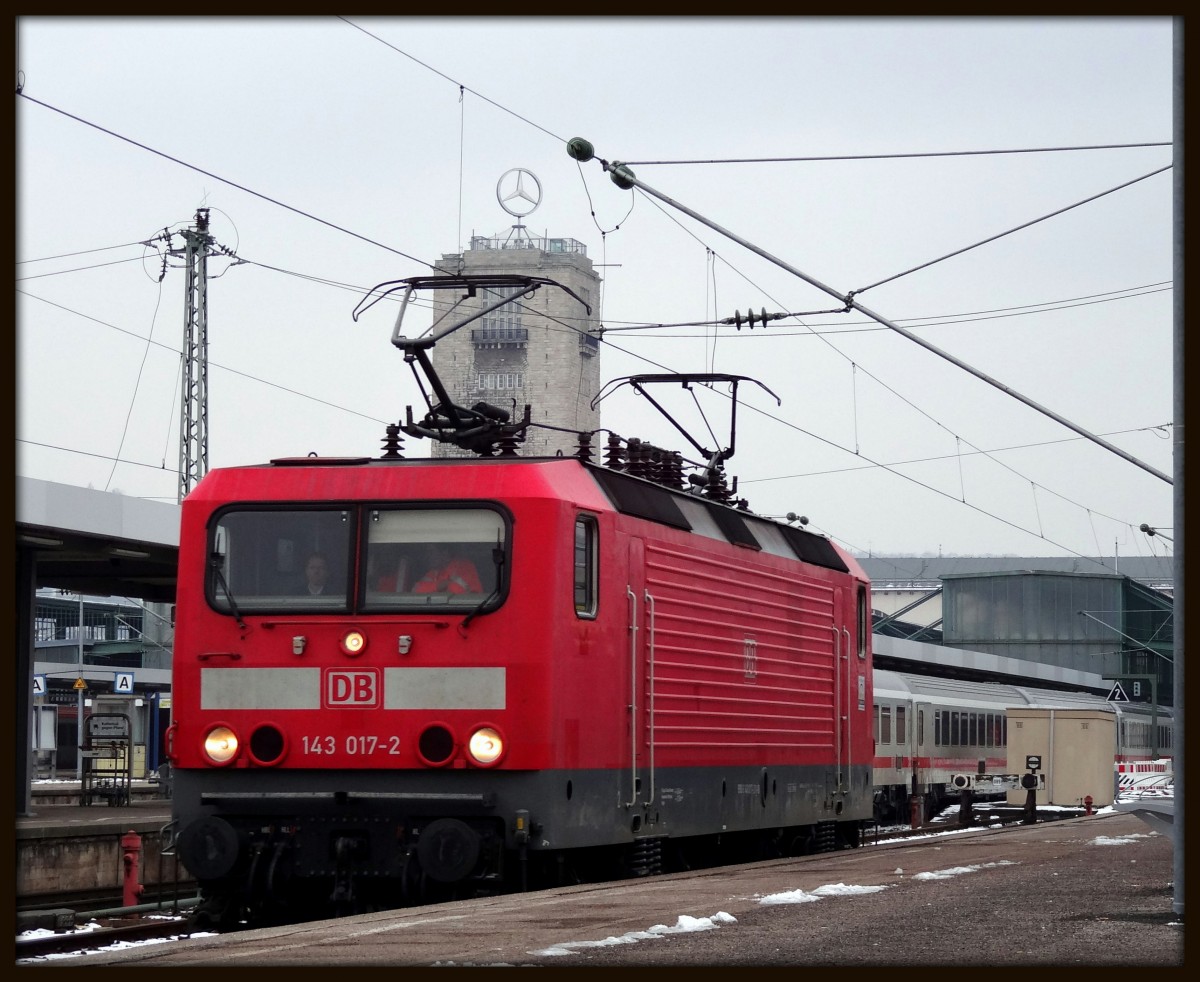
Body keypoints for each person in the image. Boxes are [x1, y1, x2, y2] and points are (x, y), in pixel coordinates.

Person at [413, 545, 482, 594]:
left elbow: (474, 596)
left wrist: (434, 590)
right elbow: (416, 590)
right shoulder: (434, 572)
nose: (428, 556)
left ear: (445, 553)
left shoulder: (465, 566)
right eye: (427, 552)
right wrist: (443, 584)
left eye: (431, 552)